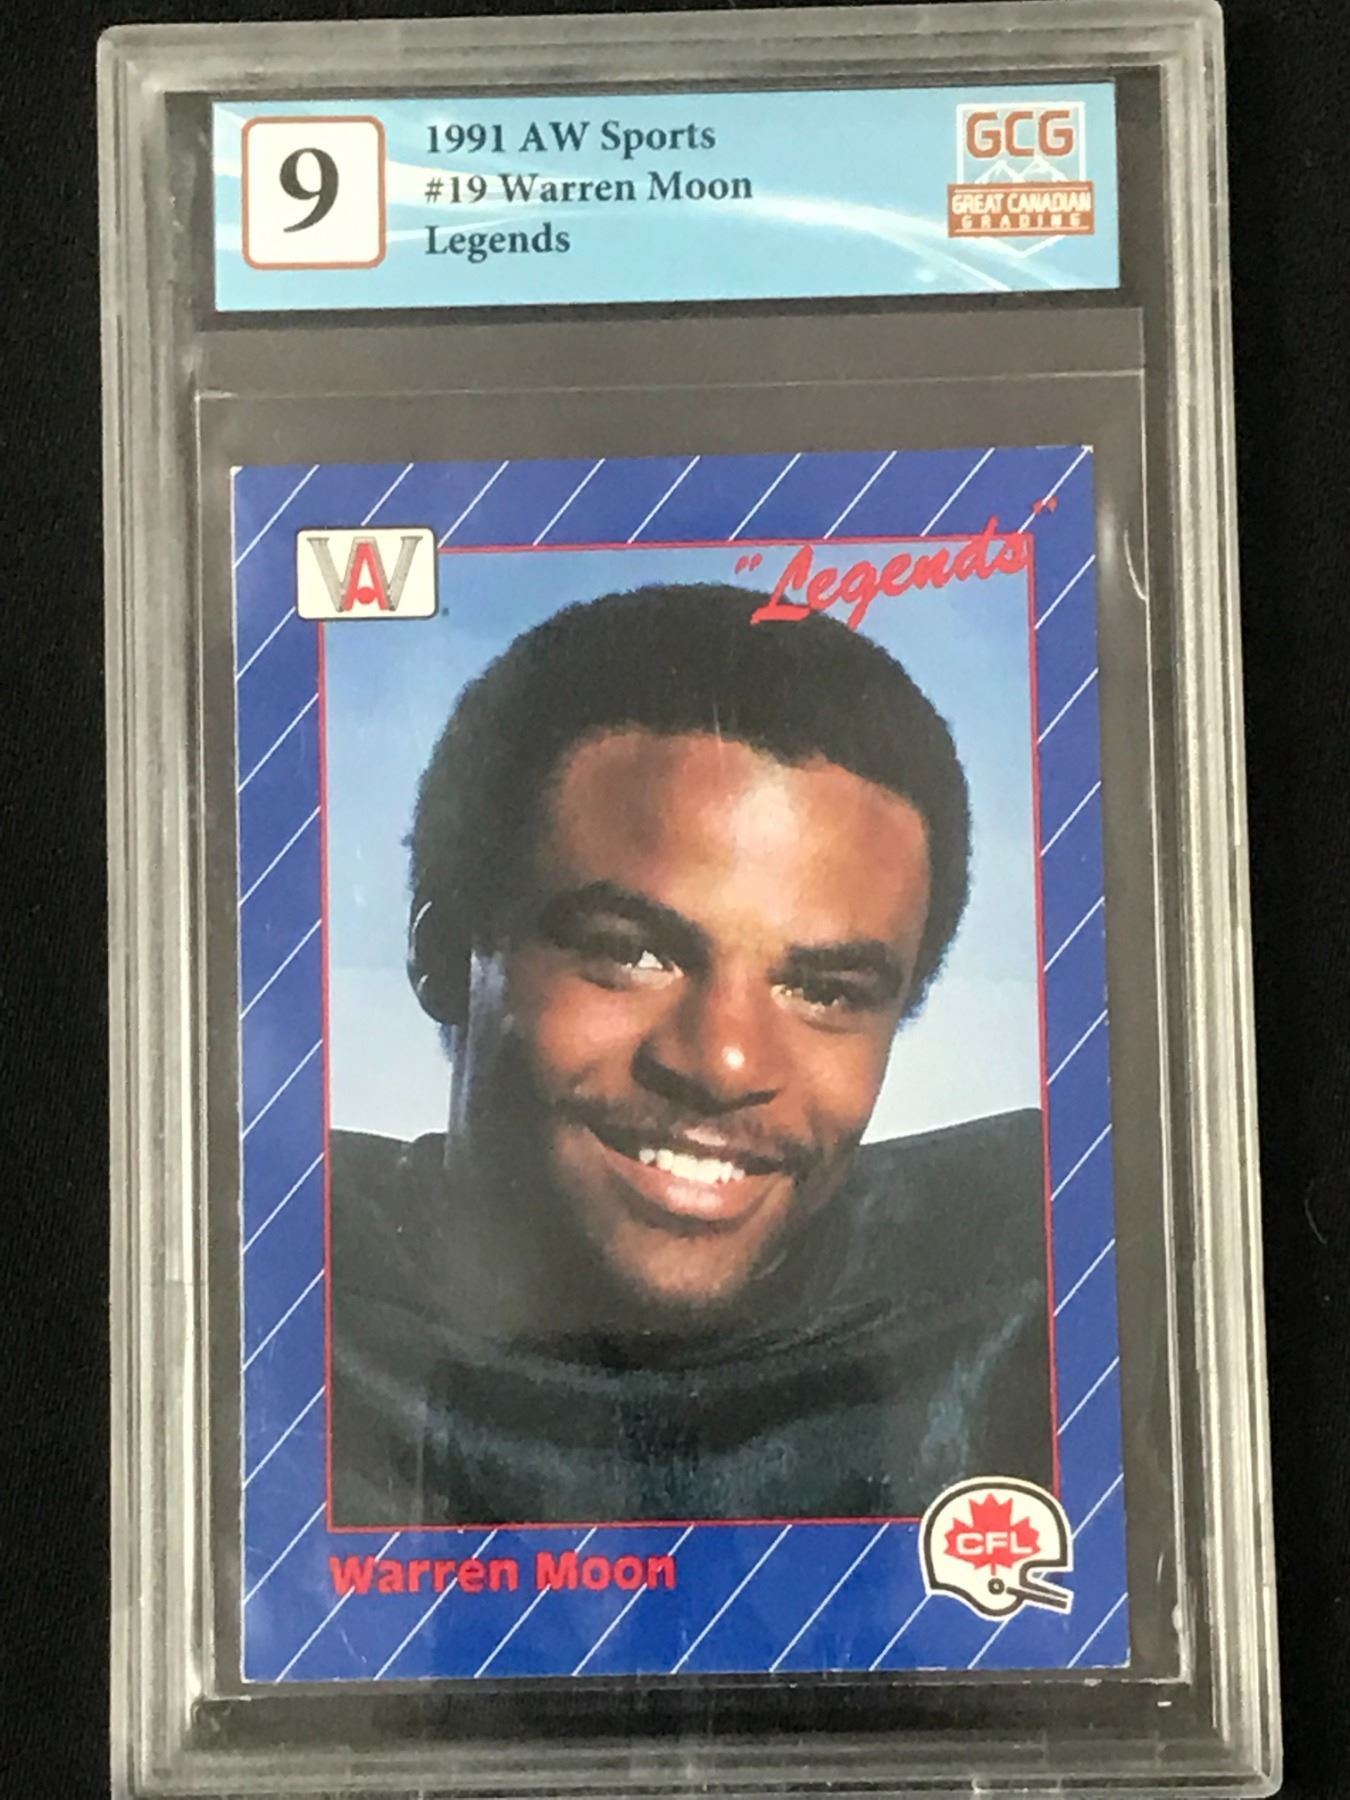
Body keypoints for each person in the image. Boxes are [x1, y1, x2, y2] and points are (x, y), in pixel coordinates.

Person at [329, 583, 1051, 1526]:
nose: (725, 1063)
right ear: (443, 957)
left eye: (826, 990)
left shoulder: (1050, 1285)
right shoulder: (256, 1294)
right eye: (633, 952)